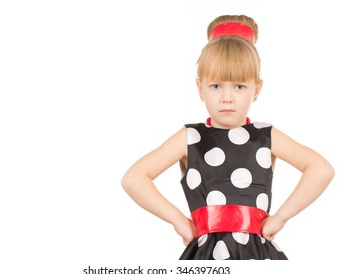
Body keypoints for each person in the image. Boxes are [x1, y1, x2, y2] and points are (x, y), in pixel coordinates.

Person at [121, 15, 335, 260]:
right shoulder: (190, 137)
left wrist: (281, 217)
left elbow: (321, 169)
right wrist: (178, 220)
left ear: (256, 89)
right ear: (200, 88)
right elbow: (134, 178)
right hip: (205, 254)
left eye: (239, 87)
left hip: (257, 252)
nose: (227, 97)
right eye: (216, 86)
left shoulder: (266, 136)